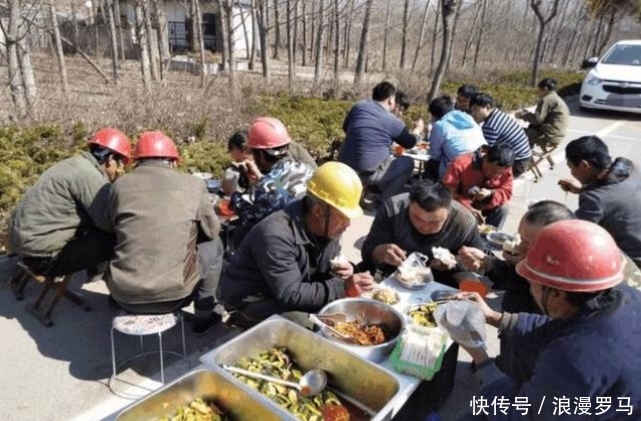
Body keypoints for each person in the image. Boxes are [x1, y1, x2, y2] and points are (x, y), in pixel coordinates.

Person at [452, 220, 641, 421]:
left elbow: (521, 415)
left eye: (532, 283)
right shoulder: (622, 296)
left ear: (557, 294)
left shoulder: (573, 358)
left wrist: (479, 355)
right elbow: (560, 328)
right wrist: (494, 317)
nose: (530, 290)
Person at [217, 162, 377, 328]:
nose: (347, 224)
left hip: (287, 285)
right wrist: (343, 288)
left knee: (347, 315)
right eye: (343, 217)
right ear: (318, 210)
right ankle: (242, 322)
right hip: (253, 299)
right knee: (308, 326)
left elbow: (325, 266)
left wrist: (346, 272)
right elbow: (290, 294)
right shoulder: (275, 234)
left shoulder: (328, 224)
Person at [105, 131, 223, 335]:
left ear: (137, 161)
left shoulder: (119, 186)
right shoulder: (194, 184)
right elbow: (211, 231)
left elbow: (109, 227)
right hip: (175, 297)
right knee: (215, 244)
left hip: (122, 295)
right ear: (174, 162)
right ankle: (205, 314)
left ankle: (124, 288)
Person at [8, 128, 132, 278]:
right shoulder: (90, 176)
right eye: (119, 165)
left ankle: (96, 273)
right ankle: (113, 284)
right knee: (116, 236)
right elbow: (107, 222)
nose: (118, 171)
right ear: (110, 159)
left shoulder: (72, 164)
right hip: (42, 259)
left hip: (22, 246)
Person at [361, 180, 484, 287]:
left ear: (448, 211)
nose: (425, 227)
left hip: (442, 283)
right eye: (417, 218)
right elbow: (367, 251)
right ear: (409, 204)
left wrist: (454, 264)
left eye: (435, 222)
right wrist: (380, 252)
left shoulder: (464, 222)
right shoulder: (393, 209)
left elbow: (478, 267)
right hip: (394, 277)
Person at [458, 200, 574, 314]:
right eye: (519, 237)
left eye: (526, 242)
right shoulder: (533, 261)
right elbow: (515, 280)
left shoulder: (561, 289)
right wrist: (488, 263)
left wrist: (494, 317)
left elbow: (537, 323)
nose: (518, 244)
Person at [229, 117, 314, 248]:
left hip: (290, 246)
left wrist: (234, 196)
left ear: (261, 155)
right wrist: (261, 179)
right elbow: (284, 188)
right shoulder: (304, 169)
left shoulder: (268, 188)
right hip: (310, 237)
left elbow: (250, 219)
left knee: (239, 234)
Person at [558, 136, 641, 268]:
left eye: (571, 167)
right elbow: (614, 193)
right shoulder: (630, 168)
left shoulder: (595, 200)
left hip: (634, 263)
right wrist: (584, 189)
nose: (571, 172)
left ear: (585, 165)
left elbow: (574, 234)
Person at [338, 81, 424, 205]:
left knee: (385, 159)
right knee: (407, 163)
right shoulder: (392, 120)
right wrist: (417, 130)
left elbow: (346, 127)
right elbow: (410, 143)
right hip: (367, 173)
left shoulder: (359, 106)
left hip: (343, 166)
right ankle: (384, 202)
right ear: (390, 100)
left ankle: (365, 193)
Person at [442, 144, 514, 228]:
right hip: (460, 201)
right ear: (485, 158)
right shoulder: (461, 163)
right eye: (491, 170)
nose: (494, 175)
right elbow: (448, 191)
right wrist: (468, 208)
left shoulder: (506, 168)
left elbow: (507, 191)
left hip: (484, 203)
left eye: (499, 173)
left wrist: (490, 194)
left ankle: (489, 237)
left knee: (503, 209)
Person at [470, 93, 532, 177]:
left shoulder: (490, 125)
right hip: (525, 156)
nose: (473, 114)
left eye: (476, 110)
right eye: (472, 110)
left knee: (480, 171)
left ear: (487, 107)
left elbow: (484, 150)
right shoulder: (497, 114)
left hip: (517, 163)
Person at [425, 95, 486, 180]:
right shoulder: (467, 117)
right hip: (479, 165)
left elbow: (435, 155)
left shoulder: (440, 125)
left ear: (435, 115)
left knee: (430, 165)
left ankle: (434, 189)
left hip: (458, 169)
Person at [515, 78, 570, 148]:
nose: (538, 92)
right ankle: (528, 151)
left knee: (515, 133)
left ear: (545, 88)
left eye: (539, 89)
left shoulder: (547, 99)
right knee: (530, 128)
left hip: (549, 136)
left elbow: (537, 120)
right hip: (558, 135)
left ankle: (524, 155)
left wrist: (522, 115)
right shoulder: (556, 98)